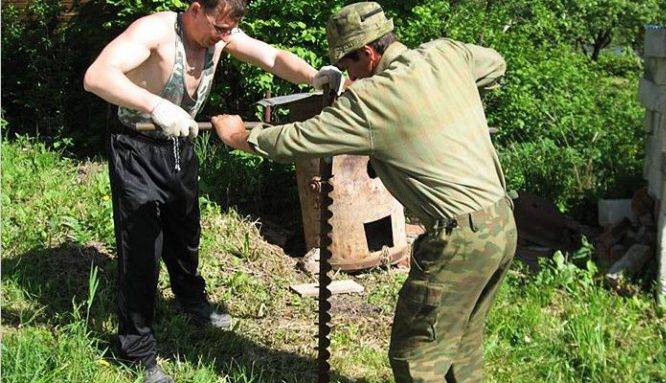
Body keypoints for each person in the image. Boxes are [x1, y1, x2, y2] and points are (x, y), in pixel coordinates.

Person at [210, 2, 517, 382]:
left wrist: (240, 135)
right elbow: (496, 64)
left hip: (460, 240)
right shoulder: (445, 54)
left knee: (416, 357)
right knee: (461, 346)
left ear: (368, 54)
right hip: (502, 224)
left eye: (349, 66)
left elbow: (298, 139)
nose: (349, 76)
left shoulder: (373, 99)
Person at [83, 0, 343, 381]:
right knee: (141, 248)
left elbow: (271, 57)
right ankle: (135, 349)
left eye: (229, 30)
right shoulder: (153, 32)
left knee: (185, 231)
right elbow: (97, 75)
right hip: (136, 146)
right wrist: (154, 105)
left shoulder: (221, 35)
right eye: (219, 27)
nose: (225, 37)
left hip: (179, 145)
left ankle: (191, 301)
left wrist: (312, 75)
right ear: (195, 8)